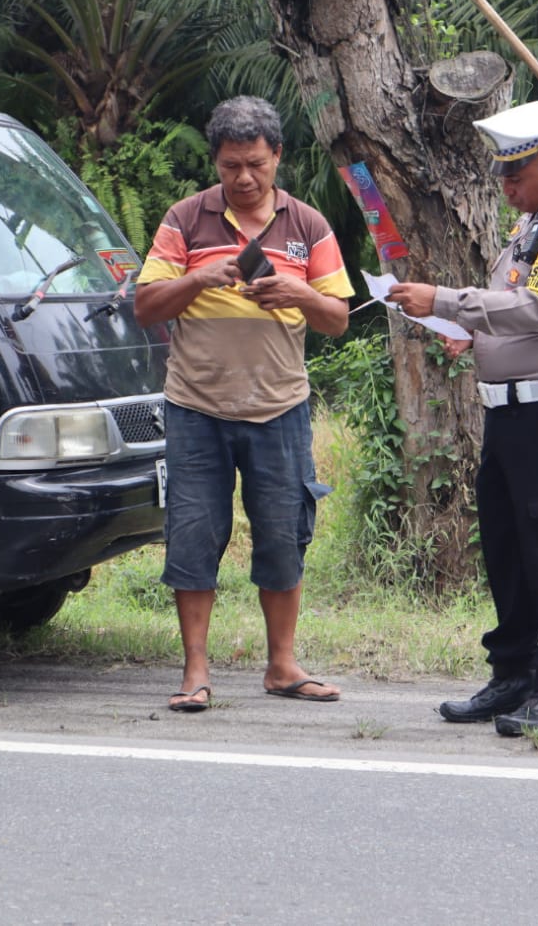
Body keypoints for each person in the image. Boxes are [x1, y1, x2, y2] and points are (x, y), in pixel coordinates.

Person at [388, 99, 538, 736]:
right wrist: (474, 338)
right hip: (510, 420)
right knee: (509, 552)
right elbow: (512, 312)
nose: (506, 188)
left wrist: (448, 303)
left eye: (517, 177)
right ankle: (513, 672)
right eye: (503, 177)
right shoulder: (533, 226)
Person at [134, 96, 353, 712]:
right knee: (193, 535)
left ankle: (282, 666)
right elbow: (146, 307)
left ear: (277, 156)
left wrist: (295, 291)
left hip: (279, 408)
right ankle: (195, 672)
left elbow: (337, 320)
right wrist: (198, 279)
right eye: (231, 166)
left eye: (256, 164)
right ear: (217, 163)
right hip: (195, 409)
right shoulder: (185, 219)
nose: (244, 178)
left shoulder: (308, 225)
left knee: (283, 536)